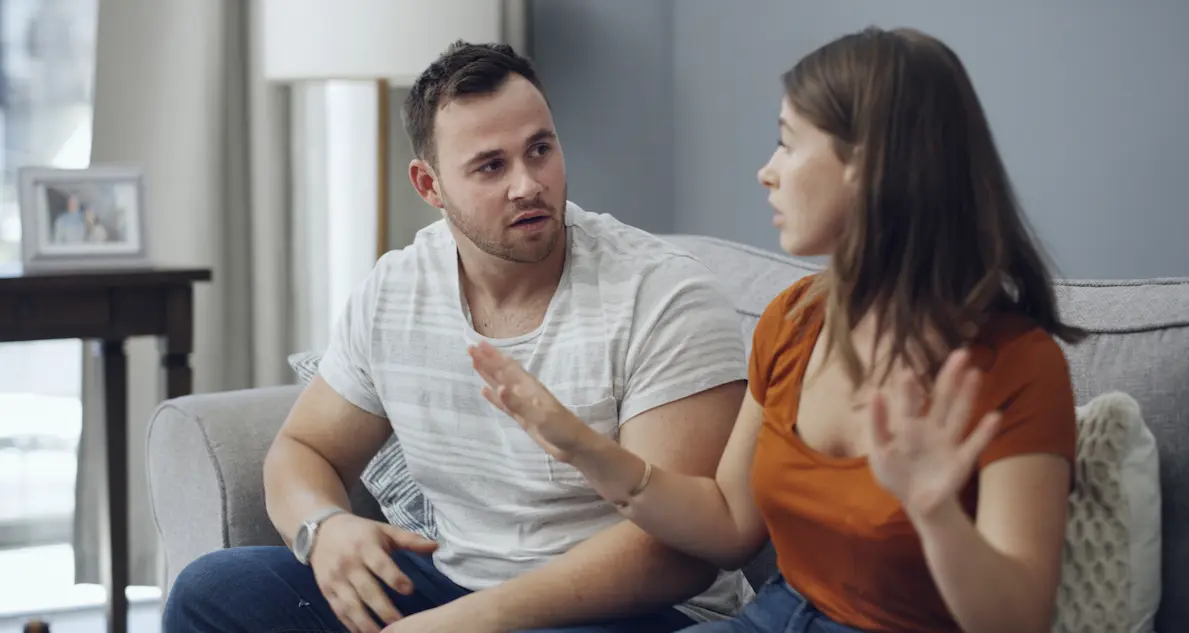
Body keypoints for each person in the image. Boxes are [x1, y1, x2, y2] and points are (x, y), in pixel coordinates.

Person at [471, 26, 1086, 633]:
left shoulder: (1015, 366)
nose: (768, 171)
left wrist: (936, 514)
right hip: (775, 615)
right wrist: (579, 444)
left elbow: (1017, 620)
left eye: (788, 143)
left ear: (867, 167)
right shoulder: (796, 319)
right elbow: (731, 524)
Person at [161, 41, 754, 633]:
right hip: (459, 587)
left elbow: (678, 553)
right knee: (214, 592)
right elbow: (303, 450)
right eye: (491, 166)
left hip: (629, 607)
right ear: (429, 184)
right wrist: (323, 529)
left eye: (540, 150)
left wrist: (468, 622)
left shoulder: (663, 295)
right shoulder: (398, 287)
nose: (528, 184)